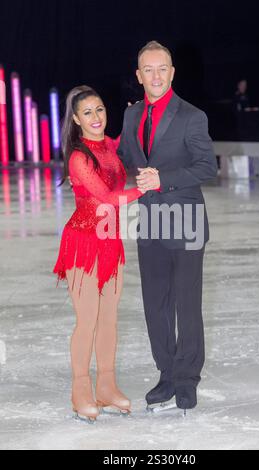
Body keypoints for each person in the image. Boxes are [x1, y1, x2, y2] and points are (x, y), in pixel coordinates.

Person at [117, 41, 218, 412]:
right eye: (148, 69)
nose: (156, 75)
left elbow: (208, 166)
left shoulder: (192, 116)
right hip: (149, 221)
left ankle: (187, 378)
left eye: (162, 68)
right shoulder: (131, 117)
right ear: (139, 75)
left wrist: (164, 179)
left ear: (172, 72)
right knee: (155, 304)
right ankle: (167, 373)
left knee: (186, 304)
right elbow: (126, 158)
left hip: (186, 219)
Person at [53, 86, 154, 421]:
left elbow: (127, 140)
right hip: (83, 242)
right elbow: (107, 198)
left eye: (99, 110)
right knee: (88, 320)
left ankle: (107, 387)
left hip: (110, 239)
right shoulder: (78, 156)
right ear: (76, 119)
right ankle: (80, 390)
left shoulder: (108, 145)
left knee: (109, 318)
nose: (96, 118)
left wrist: (135, 115)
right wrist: (143, 188)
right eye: (87, 113)